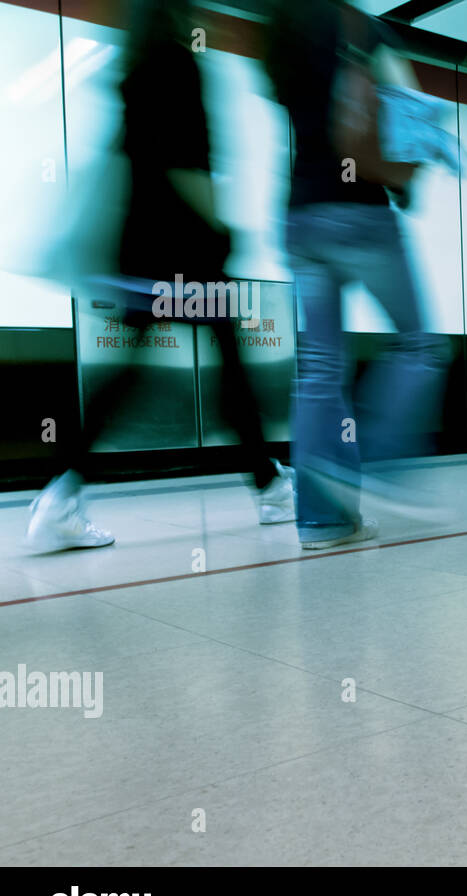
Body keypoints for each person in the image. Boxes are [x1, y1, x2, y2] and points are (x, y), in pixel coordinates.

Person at [25, 0, 292, 554]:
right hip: (185, 250)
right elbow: (187, 162)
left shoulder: (132, 67)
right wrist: (223, 227)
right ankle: (269, 488)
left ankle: (61, 494)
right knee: (230, 367)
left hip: (138, 249)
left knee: (138, 374)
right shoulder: (178, 64)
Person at [265, 0, 452, 549]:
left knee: (320, 369)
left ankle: (323, 522)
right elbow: (406, 116)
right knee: (420, 345)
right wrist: (408, 177)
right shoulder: (361, 26)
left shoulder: (282, 27)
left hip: (299, 216)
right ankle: (376, 461)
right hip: (360, 215)